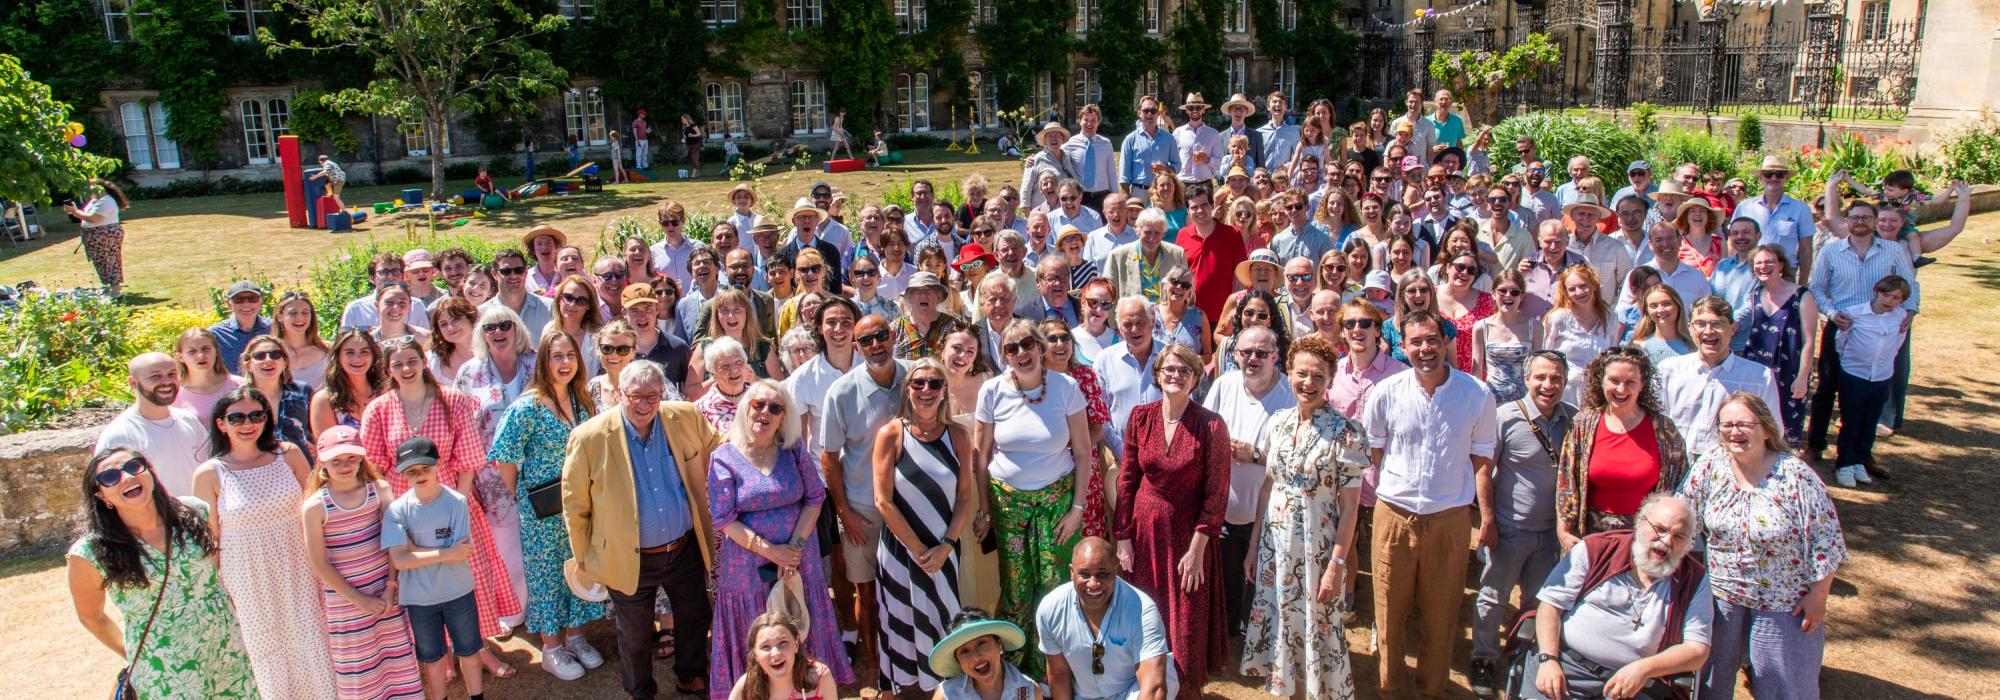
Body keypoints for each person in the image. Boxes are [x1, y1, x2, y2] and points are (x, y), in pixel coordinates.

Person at [360, 339, 524, 677]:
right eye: (397, 364)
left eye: (411, 361)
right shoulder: (378, 409)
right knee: (422, 578)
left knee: (467, 577)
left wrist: (458, 505)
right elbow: (375, 466)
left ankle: (478, 649)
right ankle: (442, 654)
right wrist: (396, 510)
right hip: (405, 506)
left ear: (423, 362)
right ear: (387, 369)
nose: (405, 369)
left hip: (452, 499)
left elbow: (467, 460)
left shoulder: (452, 401)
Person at [1362, 309, 1498, 700]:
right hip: (1394, 515)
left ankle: (1430, 691)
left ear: (1445, 342)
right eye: (1416, 342)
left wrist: (1485, 515)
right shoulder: (1386, 393)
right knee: (1388, 614)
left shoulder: (1476, 394)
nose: (1425, 349)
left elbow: (1482, 460)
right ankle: (1391, 690)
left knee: (1441, 617)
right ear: (1403, 347)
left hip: (1450, 518)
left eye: (1432, 340)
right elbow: (1375, 452)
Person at [561, 359, 717, 698]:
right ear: (619, 394)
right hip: (627, 554)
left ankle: (691, 676)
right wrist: (583, 556)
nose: (644, 404)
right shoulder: (588, 438)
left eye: (652, 396)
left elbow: (719, 449)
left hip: (683, 547)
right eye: (635, 396)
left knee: (695, 616)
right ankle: (639, 690)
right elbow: (574, 504)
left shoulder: (685, 418)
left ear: (663, 394)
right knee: (633, 634)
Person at [1681, 393, 1845, 698]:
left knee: (1782, 684)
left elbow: (1827, 541)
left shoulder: (1796, 477)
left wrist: (1818, 596)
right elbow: (1683, 515)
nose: (1734, 431)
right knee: (1711, 681)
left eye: (1744, 424)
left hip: (1784, 602)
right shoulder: (1711, 466)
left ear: (1767, 430)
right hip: (1722, 596)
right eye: (1726, 425)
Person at [66, 448, 259, 697]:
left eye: (133, 467)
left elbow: (211, 576)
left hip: (227, 649)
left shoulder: (194, 512)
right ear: (102, 496)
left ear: (150, 473)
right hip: (164, 667)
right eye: (110, 477)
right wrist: (137, 653)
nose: (126, 477)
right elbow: (91, 616)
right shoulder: (90, 552)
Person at [1235, 334, 1364, 698]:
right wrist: (1253, 547)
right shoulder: (1278, 422)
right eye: (1301, 374)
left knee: (1317, 628)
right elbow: (1267, 488)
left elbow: (1351, 507)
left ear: (1330, 380)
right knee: (1281, 625)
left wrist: (1338, 563)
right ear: (1288, 372)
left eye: (1318, 376)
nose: (1308, 383)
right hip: (1274, 547)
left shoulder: (1347, 433)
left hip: (1316, 551)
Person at [190, 386, 340, 698]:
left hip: (298, 564)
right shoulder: (208, 474)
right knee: (266, 647)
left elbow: (318, 507)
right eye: (237, 417)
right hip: (247, 575)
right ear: (221, 423)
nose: (248, 423)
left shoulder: (289, 455)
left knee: (312, 638)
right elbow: (210, 539)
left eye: (256, 415)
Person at [709, 380, 854, 696]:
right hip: (749, 567)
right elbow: (723, 518)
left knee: (799, 614)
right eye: (758, 404)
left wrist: (795, 549)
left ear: (783, 416)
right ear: (746, 408)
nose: (765, 412)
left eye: (775, 408)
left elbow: (815, 498)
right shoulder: (723, 456)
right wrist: (773, 552)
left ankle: (810, 689)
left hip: (799, 559)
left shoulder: (793, 449)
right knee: (760, 621)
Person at [976, 319, 1096, 676]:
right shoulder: (992, 391)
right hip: (1007, 505)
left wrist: (1077, 509)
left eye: (1027, 344)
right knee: (1016, 589)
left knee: (1056, 585)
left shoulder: (1067, 387)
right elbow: (981, 457)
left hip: (1058, 503)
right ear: (1004, 356)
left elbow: (1084, 453)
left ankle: (1053, 672)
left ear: (1041, 346)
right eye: (1011, 349)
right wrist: (984, 511)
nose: (1021, 353)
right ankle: (1012, 672)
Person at [490, 330, 608, 680]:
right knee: (546, 578)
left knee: (576, 568)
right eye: (557, 356)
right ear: (544, 360)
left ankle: (575, 637)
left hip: (579, 507)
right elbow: (505, 458)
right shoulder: (527, 407)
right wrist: (523, 497)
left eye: (570, 355)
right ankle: (552, 647)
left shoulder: (581, 399)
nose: (565, 362)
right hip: (542, 511)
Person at [1111, 343, 1227, 699]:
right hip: (1144, 535)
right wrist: (1123, 536)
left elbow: (1216, 495)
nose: (1175, 376)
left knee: (1186, 624)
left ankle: (1187, 690)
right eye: (1169, 370)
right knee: (1147, 616)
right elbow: (1127, 479)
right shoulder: (1140, 416)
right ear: (1158, 375)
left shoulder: (1210, 425)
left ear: (1194, 378)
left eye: (1184, 371)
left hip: (1188, 539)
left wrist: (1197, 550)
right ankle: (1148, 690)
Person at [1522, 494, 1713, 700]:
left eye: (1679, 536)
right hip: (1565, 667)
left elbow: (1697, 649)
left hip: (1637, 686)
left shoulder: (1694, 580)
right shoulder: (1597, 549)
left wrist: (1644, 669)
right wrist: (1548, 659)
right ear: (1640, 522)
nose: (1666, 541)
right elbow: (1550, 606)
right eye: (1661, 529)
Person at [1466, 351, 1573, 695]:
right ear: (1526, 379)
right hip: (1510, 529)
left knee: (1540, 601)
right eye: (1541, 377)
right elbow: (1483, 470)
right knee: (1494, 596)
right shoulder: (1505, 417)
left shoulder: (1572, 420)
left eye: (1555, 378)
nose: (1548, 385)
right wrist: (1487, 520)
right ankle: (1483, 657)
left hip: (1551, 533)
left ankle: (1524, 653)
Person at [869, 357, 979, 692]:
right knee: (900, 623)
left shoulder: (958, 435)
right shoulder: (891, 434)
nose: (926, 390)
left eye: (935, 383)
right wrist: (918, 550)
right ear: (908, 390)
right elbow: (882, 501)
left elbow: (964, 498)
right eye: (919, 383)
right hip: (902, 552)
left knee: (942, 619)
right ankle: (901, 689)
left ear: (945, 391)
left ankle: (943, 691)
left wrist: (945, 546)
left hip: (945, 550)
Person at [302, 426, 427, 699]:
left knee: (397, 664)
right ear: (322, 462)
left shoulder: (380, 490)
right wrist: (357, 599)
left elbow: (394, 541)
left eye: (351, 458)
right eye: (336, 460)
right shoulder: (315, 506)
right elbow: (319, 563)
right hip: (345, 605)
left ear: (361, 458)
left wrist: (391, 587)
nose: (344, 465)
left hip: (384, 593)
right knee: (360, 671)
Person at [1807, 193, 1918, 476]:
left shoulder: (1892, 251)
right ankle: (1815, 444)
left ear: (1875, 222)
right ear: (1846, 221)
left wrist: (1909, 311)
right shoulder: (1832, 250)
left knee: (1871, 391)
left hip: (1880, 326)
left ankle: (1861, 454)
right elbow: (1816, 287)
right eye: (1855, 217)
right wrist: (1832, 313)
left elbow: (1910, 284)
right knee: (1826, 388)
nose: (1860, 222)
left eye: (1866, 218)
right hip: (1842, 324)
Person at [379, 435, 488, 699]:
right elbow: (400, 560)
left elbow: (460, 554)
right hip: (420, 600)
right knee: (433, 660)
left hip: (458, 593)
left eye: (425, 468)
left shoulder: (456, 502)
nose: (419, 475)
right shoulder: (396, 510)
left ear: (438, 464)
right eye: (412, 471)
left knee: (470, 653)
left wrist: (415, 550)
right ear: (402, 473)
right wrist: (445, 552)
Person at [1555, 349, 1690, 549]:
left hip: (1645, 538)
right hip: (1590, 537)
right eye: (1614, 381)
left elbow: (1679, 487)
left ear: (1642, 384)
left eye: (1630, 382)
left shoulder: (1664, 429)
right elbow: (1567, 481)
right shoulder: (1583, 424)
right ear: (1601, 382)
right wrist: (1563, 531)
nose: (1621, 389)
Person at [1037, 536, 1179, 700]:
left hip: (1133, 689)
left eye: (1102, 574)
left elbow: (1153, 688)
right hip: (1088, 695)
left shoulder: (1142, 610)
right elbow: (1059, 673)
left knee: (1163, 680)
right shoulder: (1050, 609)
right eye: (1084, 574)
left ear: (1115, 570)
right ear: (1071, 572)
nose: (1093, 584)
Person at [1658, 297, 1783, 458]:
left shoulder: (1759, 377)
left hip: (1731, 467)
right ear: (1690, 328)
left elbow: (1773, 430)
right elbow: (1657, 422)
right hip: (1677, 463)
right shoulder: (1669, 370)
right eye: (1701, 324)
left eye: (1717, 323)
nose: (1708, 331)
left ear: (1733, 328)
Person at [1827, 275, 1912, 487]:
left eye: (1896, 298)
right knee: (1852, 421)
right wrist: (1850, 362)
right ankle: (1844, 463)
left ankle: (1859, 460)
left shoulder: (1900, 318)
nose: (1889, 301)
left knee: (1870, 422)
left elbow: (1898, 342)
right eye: (1886, 294)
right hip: (1855, 375)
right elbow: (1841, 342)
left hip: (1881, 376)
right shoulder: (1855, 314)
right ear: (1876, 291)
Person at [1736, 244, 1818, 448]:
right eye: (1758, 263)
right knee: (1756, 418)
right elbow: (1740, 319)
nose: (1764, 266)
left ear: (1781, 265)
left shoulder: (1802, 296)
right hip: (1757, 368)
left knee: (1786, 424)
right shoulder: (1755, 294)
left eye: (1769, 261)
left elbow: (1809, 341)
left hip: (1789, 370)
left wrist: (1802, 377)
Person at [96, 352, 210, 497]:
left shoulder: (189, 420)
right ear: (133, 383)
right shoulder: (119, 434)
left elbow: (209, 467)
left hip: (200, 516)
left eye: (172, 374)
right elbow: (112, 491)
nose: (166, 381)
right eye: (155, 376)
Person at [1097, 296, 1166, 458]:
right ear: (1120, 328)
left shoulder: (1171, 357)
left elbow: (1185, 407)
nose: (1134, 330)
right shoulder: (1104, 361)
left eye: (1140, 322)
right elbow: (1101, 417)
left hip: (1165, 458)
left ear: (1152, 321)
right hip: (1119, 458)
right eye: (1128, 324)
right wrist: (1122, 453)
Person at [1544, 265, 1618, 405]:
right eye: (1572, 289)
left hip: (1598, 392)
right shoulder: (1557, 319)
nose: (1579, 292)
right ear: (1565, 292)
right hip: (1566, 393)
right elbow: (1546, 356)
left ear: (1593, 285)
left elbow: (1612, 357)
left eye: (1583, 286)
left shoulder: (1610, 317)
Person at [929, 608, 1041, 700]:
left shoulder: (1028, 691)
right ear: (959, 662)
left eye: (981, 643)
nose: (976, 657)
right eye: (965, 651)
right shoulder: (947, 695)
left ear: (999, 644)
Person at [727, 612, 838, 700]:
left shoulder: (820, 678)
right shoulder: (746, 686)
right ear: (755, 655)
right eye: (765, 647)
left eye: (783, 643)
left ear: (796, 645)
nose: (776, 653)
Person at [1730, 155, 1816, 268]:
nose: (1774, 178)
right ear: (1760, 178)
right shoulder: (1745, 207)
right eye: (1768, 174)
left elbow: (1806, 250)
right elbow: (1732, 242)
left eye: (1779, 174)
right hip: (1748, 269)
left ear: (1786, 178)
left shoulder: (1801, 209)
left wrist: (1803, 283)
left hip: (1785, 273)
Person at [240, 335, 315, 460]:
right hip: (259, 469)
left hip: (303, 469)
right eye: (260, 356)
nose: (268, 360)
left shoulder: (303, 392)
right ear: (248, 365)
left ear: (285, 362)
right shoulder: (238, 400)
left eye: (275, 355)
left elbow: (318, 432)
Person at [1472, 270, 1539, 403]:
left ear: (1522, 296)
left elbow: (1536, 370)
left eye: (1515, 292)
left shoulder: (1535, 327)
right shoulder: (1481, 327)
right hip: (1491, 401)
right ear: (1493, 294)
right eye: (1502, 291)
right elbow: (1477, 371)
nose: (1508, 295)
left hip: (1524, 402)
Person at [63, 178, 131, 293]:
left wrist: (75, 211)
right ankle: (109, 288)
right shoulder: (96, 200)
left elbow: (94, 218)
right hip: (96, 235)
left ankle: (115, 291)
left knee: (109, 260)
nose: (87, 191)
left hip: (105, 235)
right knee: (101, 261)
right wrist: (73, 211)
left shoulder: (106, 201)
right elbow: (87, 215)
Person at [312, 330, 386, 435]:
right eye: (349, 352)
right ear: (338, 357)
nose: (357, 358)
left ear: (373, 356)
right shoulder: (324, 400)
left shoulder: (387, 392)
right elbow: (327, 447)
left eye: (364, 351)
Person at [481, 248, 555, 346]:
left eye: (518, 270)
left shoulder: (549, 308)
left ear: (526, 272)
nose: (513, 276)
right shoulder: (482, 314)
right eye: (506, 271)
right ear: (494, 274)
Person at [171, 327, 244, 421]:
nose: (201, 355)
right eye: (192, 351)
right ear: (180, 357)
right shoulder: (173, 393)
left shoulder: (239, 385)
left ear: (216, 351)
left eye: (205, 349)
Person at [1120, 94, 1180, 197]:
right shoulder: (1130, 139)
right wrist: (1127, 197)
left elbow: (1178, 165)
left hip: (1162, 192)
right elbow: (1124, 175)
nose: (1149, 114)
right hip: (1139, 192)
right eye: (1146, 111)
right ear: (1139, 113)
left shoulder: (1169, 139)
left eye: (1153, 111)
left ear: (1158, 114)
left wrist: (1167, 169)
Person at [1627, 284, 1692, 367]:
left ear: (1678, 306)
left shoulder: (1693, 345)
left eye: (1666, 304)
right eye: (1654, 306)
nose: (1660, 310)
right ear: (1647, 311)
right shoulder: (1638, 346)